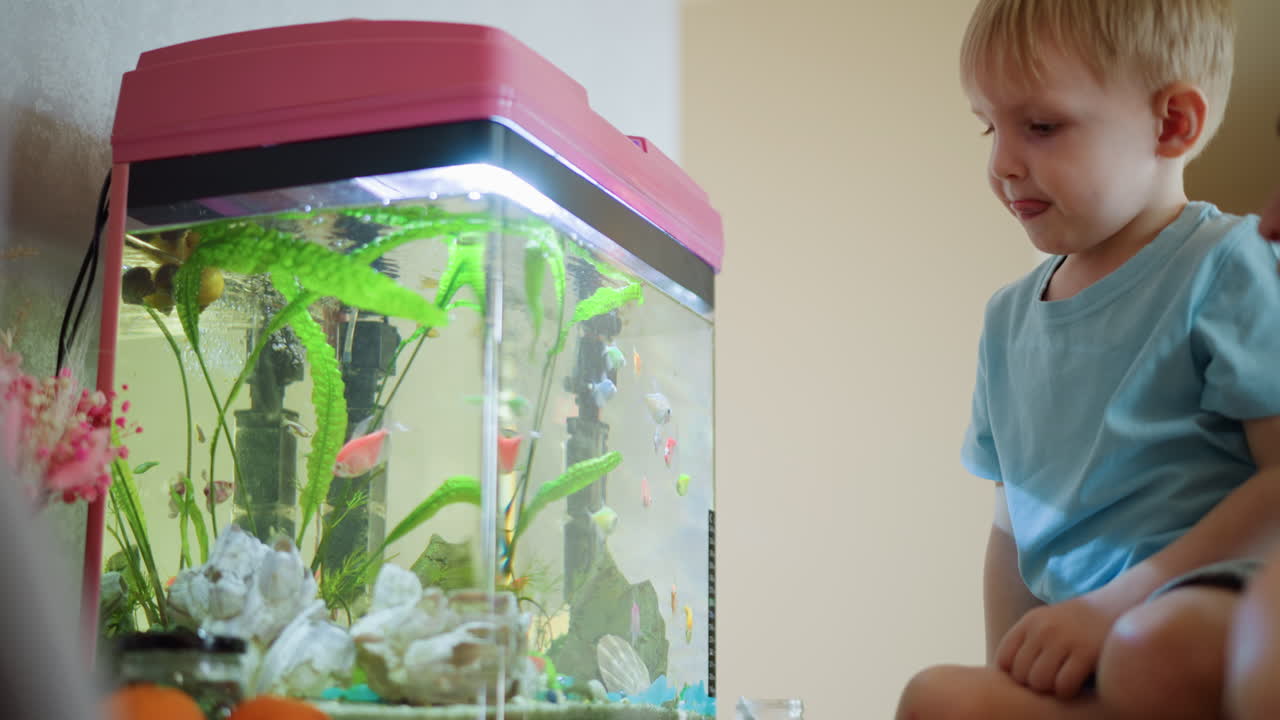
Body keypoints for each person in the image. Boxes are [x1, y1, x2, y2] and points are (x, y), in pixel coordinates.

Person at [896, 1, 1280, 718]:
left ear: (1173, 125)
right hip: (1089, 655)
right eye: (990, 126)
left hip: (1201, 618)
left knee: (1154, 652)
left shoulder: (1231, 264)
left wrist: (1116, 608)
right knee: (935, 699)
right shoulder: (1008, 321)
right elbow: (1010, 532)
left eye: (1040, 126)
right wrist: (1008, 668)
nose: (1002, 163)